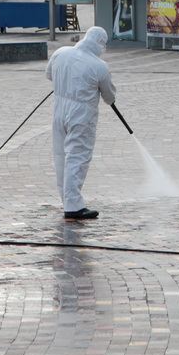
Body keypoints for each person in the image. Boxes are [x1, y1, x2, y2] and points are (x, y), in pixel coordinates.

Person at [46, 26, 116, 220]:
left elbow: (49, 74)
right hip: (81, 116)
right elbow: (109, 96)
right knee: (77, 157)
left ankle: (67, 200)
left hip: (59, 111)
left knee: (61, 155)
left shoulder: (61, 53)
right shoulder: (99, 66)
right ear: (100, 43)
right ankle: (73, 206)